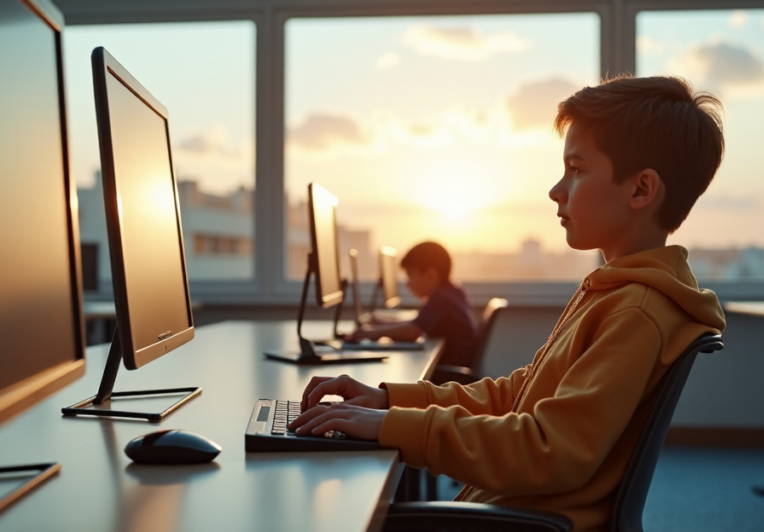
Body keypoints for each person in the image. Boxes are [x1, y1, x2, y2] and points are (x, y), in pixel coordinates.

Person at [288, 75, 727, 531]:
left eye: (576, 170)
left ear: (640, 190)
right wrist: (387, 401)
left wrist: (388, 427)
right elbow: (518, 396)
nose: (556, 190)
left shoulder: (635, 311)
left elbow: (547, 449)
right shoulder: (616, 292)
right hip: (510, 510)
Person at [346, 241, 478, 368]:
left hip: (450, 375)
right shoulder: (453, 290)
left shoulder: (440, 297)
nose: (407, 283)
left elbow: (414, 331)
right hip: (455, 367)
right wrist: (383, 324)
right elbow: (418, 323)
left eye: (410, 275)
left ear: (430, 275)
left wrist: (369, 333)